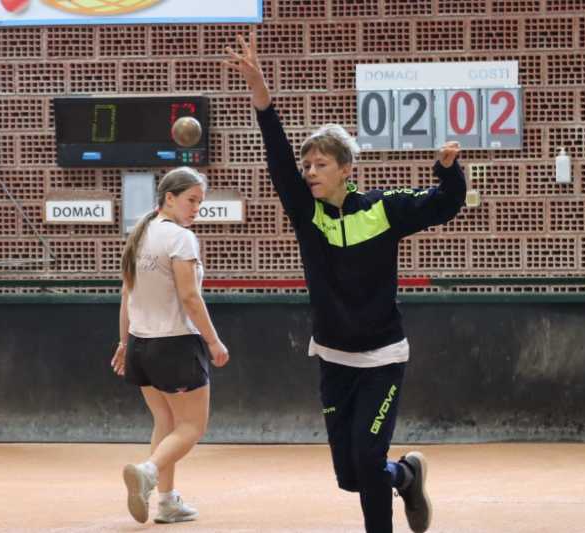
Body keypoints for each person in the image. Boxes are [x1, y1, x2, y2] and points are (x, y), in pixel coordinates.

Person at [223, 33, 466, 533]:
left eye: (321, 165)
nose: (310, 172)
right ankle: (406, 475)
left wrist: (448, 171)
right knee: (352, 475)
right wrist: (259, 90)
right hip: (334, 358)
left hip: (382, 358)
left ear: (346, 170)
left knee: (367, 458)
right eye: (307, 165)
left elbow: (445, 204)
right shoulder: (306, 214)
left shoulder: (382, 209)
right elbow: (277, 155)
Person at [110, 166, 230, 524]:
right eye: (191, 200)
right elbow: (190, 297)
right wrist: (213, 341)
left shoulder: (140, 234)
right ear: (169, 198)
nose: (196, 209)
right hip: (175, 346)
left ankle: (166, 501)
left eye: (200, 203)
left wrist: (123, 342)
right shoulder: (180, 238)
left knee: (165, 420)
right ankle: (148, 472)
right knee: (192, 427)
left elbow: (126, 296)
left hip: (140, 347)